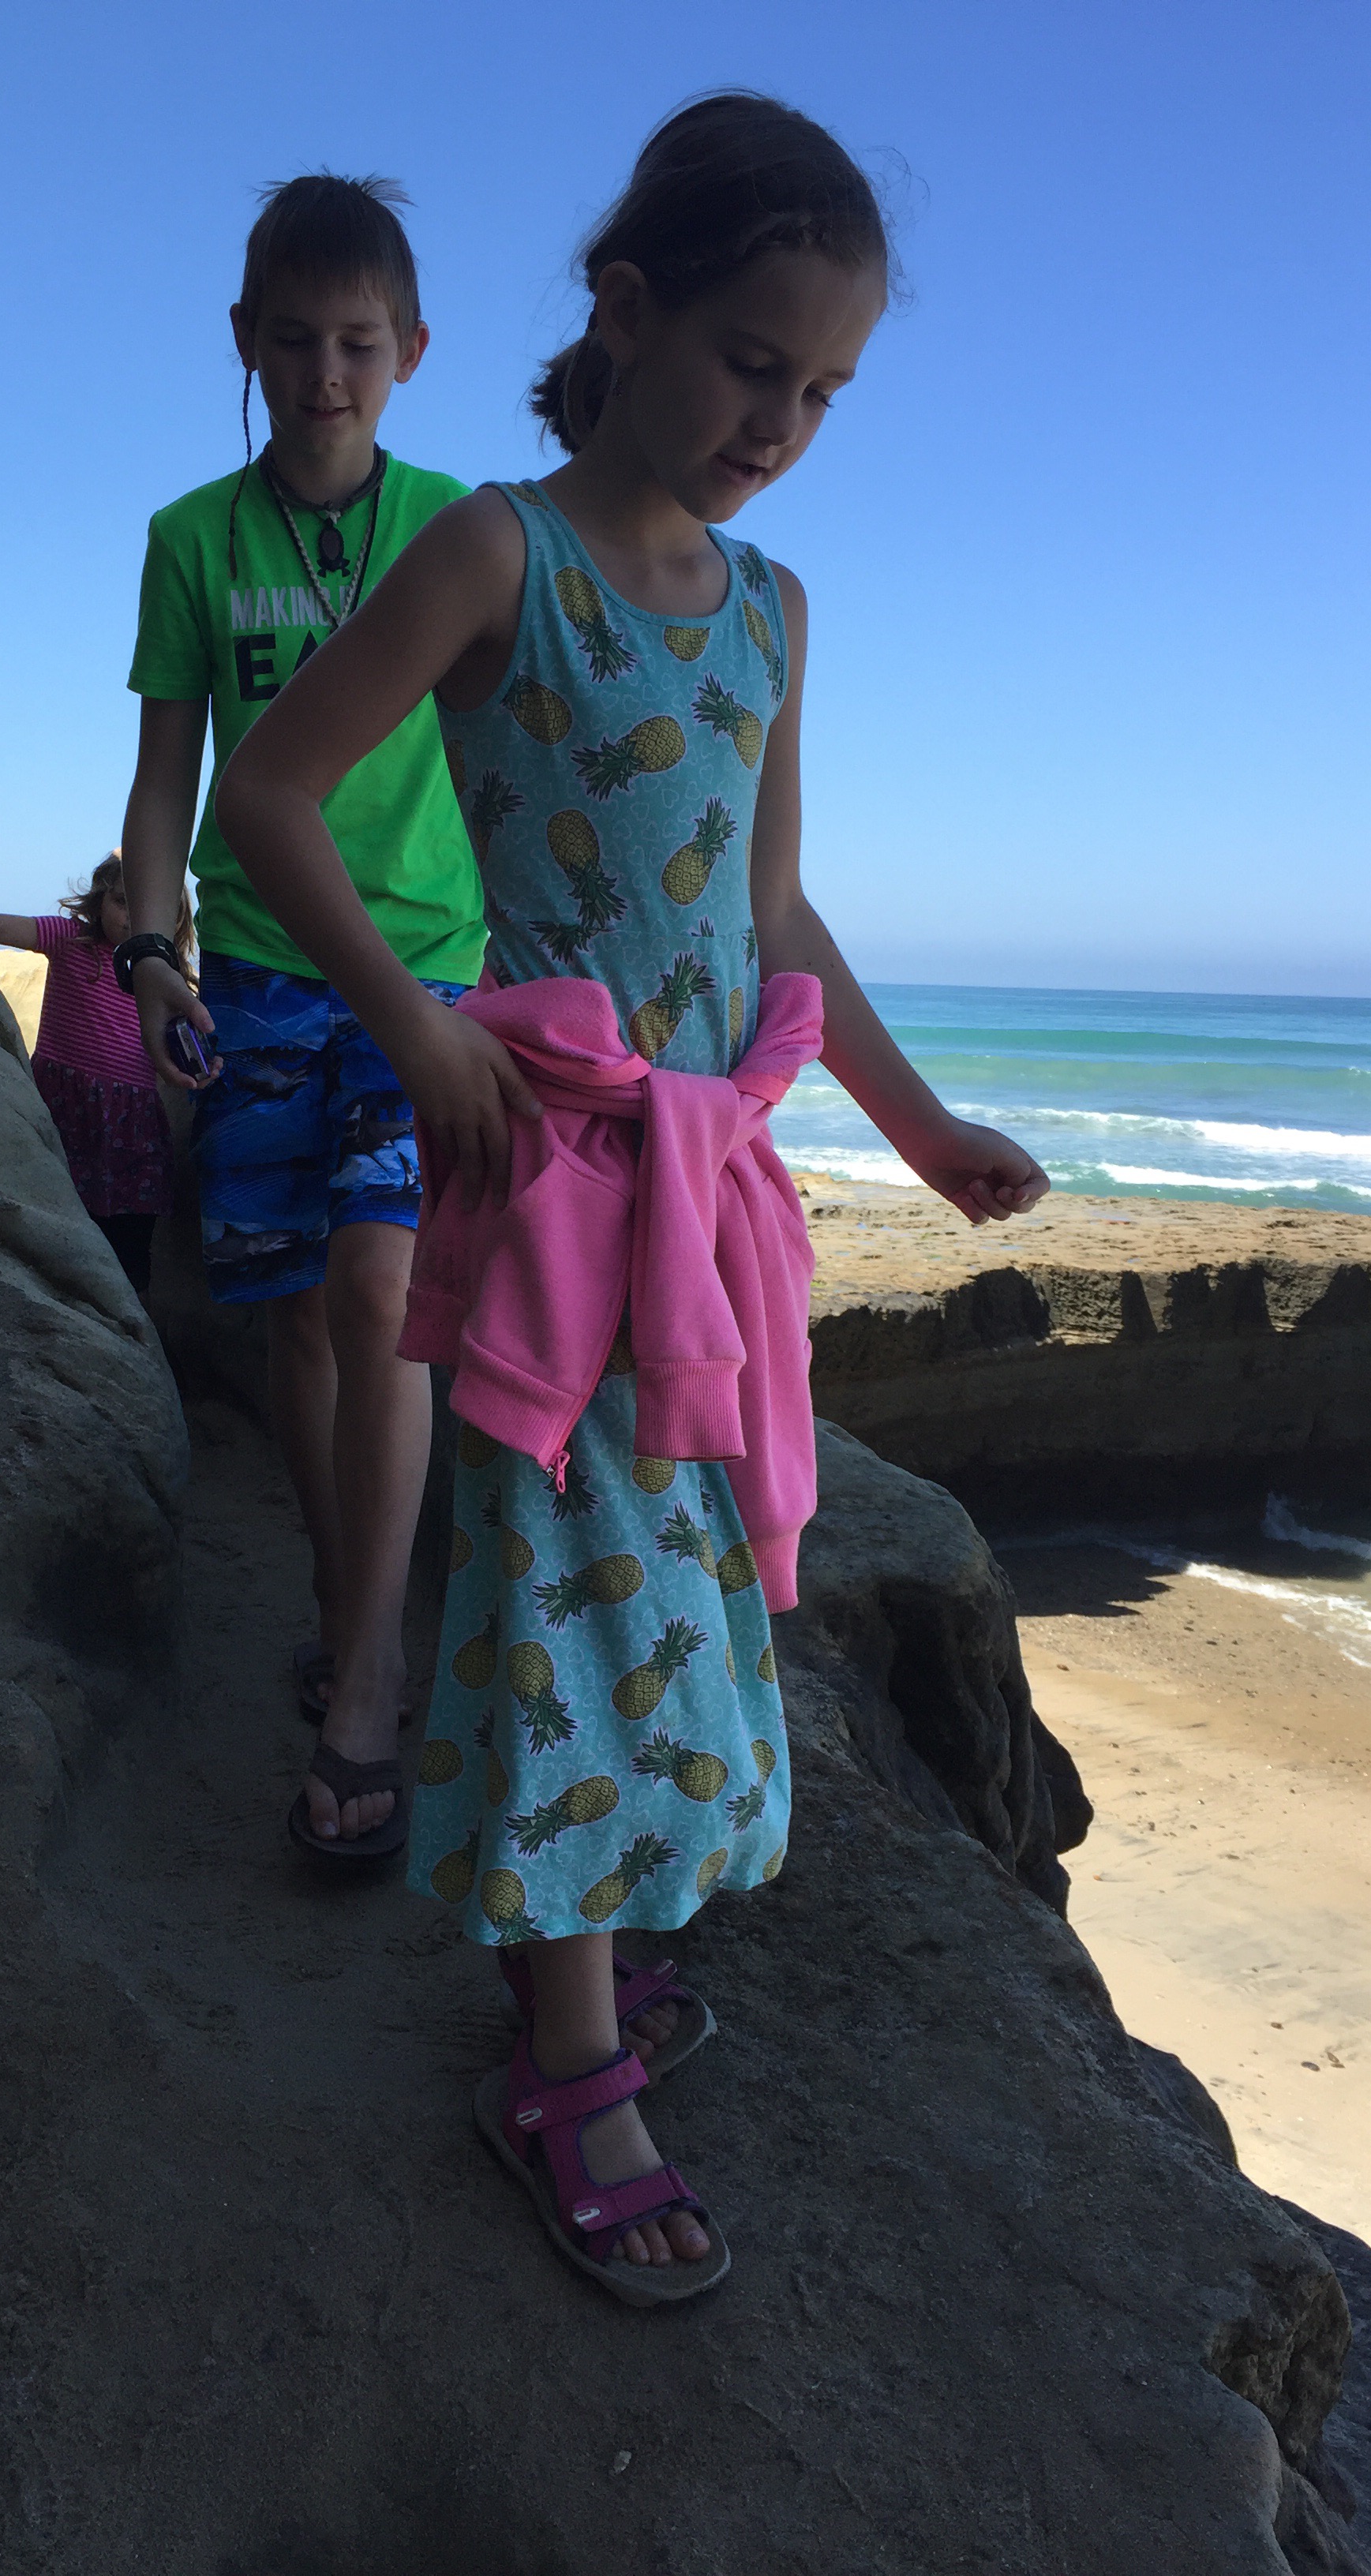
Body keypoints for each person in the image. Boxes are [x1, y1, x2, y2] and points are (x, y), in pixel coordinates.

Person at [215, 93, 1049, 2299]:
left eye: (825, 390)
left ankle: (572, 1948)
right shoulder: (501, 555)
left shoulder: (773, 610)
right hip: (553, 1183)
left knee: (673, 1586)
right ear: (624, 307)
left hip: (706, 1200)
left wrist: (915, 1125)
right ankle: (565, 2066)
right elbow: (275, 796)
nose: (782, 422)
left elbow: (773, 921)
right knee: (565, 1587)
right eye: (753, 361)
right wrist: (420, 1029)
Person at [117, 174, 485, 1855]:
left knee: (382, 1290)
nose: (325, 374)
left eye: (357, 343)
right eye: (292, 340)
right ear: (244, 344)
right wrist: (154, 953)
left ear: (411, 350)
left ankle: (367, 1684)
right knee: (294, 1327)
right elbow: (163, 777)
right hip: (258, 970)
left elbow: (503, 757)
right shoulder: (191, 539)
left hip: (424, 971)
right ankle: (353, 1618)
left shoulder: (456, 527)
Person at [0, 852, 193, 1297]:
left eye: (151, 907)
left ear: (174, 918)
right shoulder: (70, 940)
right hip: (66, 1112)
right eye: (122, 901)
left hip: (132, 1129)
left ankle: (128, 1327)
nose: (133, 917)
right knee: (58, 1236)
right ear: (100, 900)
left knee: (129, 1249)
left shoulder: (167, 975)